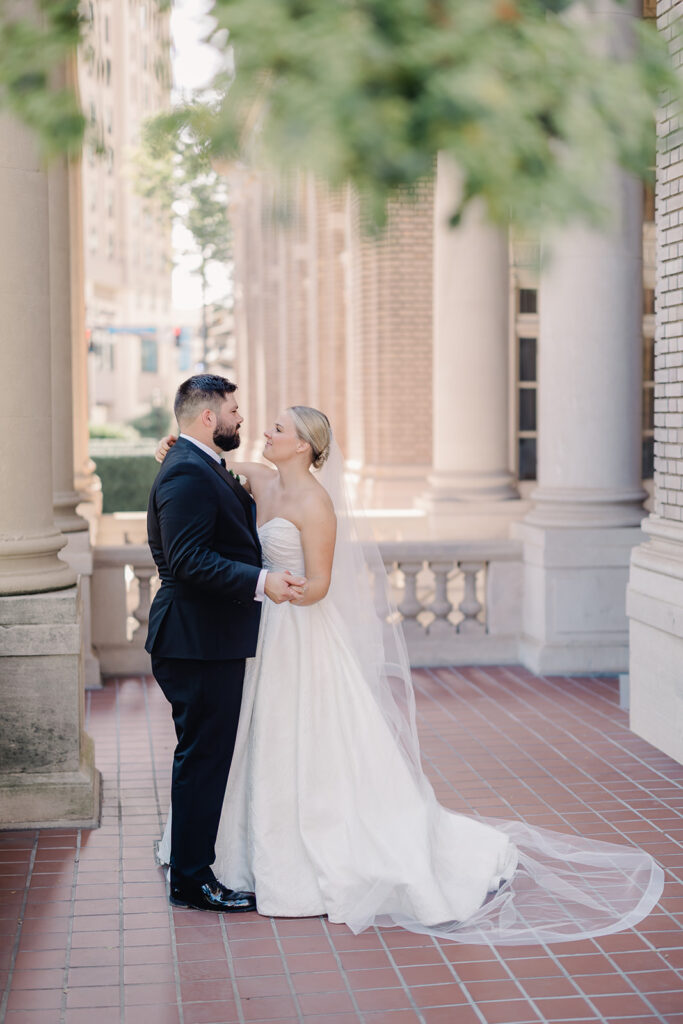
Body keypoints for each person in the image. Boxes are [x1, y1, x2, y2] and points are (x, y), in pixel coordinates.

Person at [155, 405, 664, 943]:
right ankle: (232, 853)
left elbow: (323, 583)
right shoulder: (256, 478)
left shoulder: (316, 503)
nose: (265, 431)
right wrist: (173, 449)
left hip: (298, 629)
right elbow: (211, 476)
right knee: (250, 740)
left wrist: (286, 587)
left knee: (303, 738)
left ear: (303, 444)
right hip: (257, 630)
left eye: (278, 429)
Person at [146, 374, 306, 913]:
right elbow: (188, 561)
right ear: (208, 417)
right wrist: (262, 583)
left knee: (207, 757)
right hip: (196, 640)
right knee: (203, 759)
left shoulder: (200, 464)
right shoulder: (188, 473)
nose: (241, 418)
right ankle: (192, 879)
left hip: (205, 636)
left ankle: (191, 869)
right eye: (234, 410)